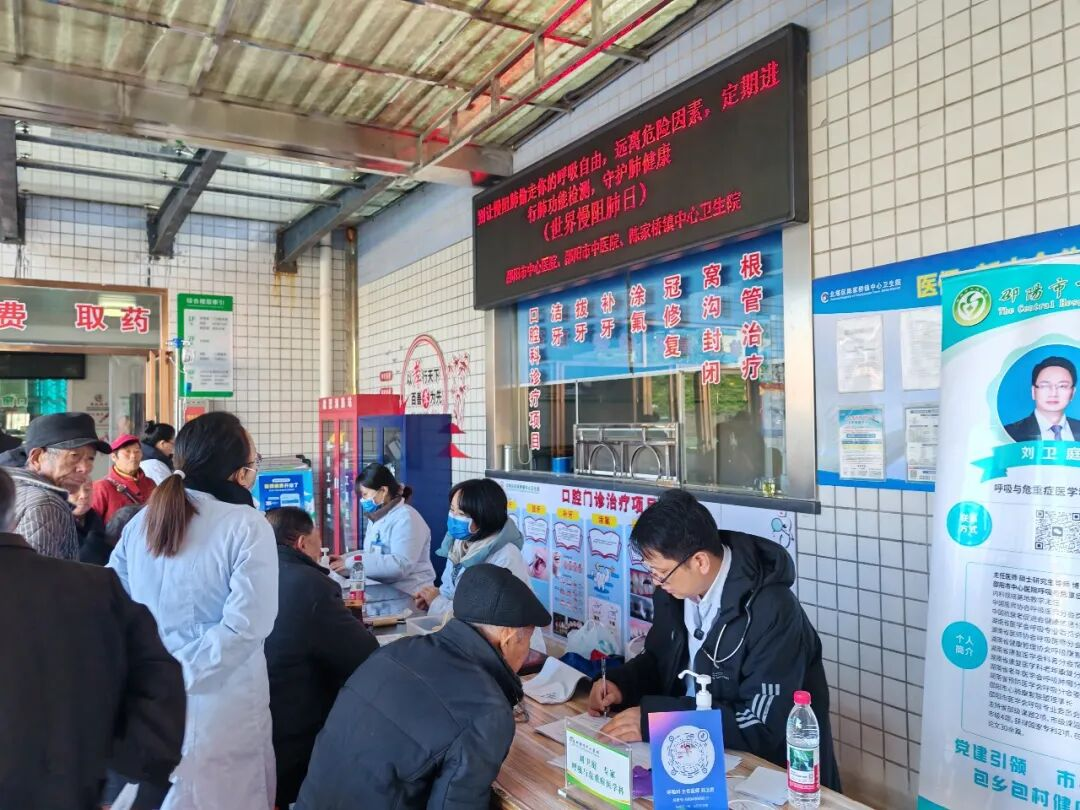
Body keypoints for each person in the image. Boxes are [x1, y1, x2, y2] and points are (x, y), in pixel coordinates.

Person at [587, 489, 840, 791]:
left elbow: (762, 724)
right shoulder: (675, 591)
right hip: (690, 757)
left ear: (700, 562)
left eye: (662, 573)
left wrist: (659, 720)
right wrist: (621, 684)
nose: (656, 582)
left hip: (767, 777)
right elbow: (660, 659)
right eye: (652, 573)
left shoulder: (772, 609)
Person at [109, 412, 279, 810]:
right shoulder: (246, 524)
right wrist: (181, 673)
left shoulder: (144, 520)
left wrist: (154, 673)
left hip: (154, 699)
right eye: (252, 462)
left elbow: (114, 601)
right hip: (222, 701)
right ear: (235, 471)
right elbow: (247, 626)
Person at [0, 466, 186, 810]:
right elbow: (160, 680)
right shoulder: (94, 587)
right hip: (70, 788)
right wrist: (130, 774)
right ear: (13, 515)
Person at [296, 563, 551, 810]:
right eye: (527, 640)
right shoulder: (488, 712)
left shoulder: (396, 651)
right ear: (508, 636)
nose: (527, 651)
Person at [264, 507, 379, 808]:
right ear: (302, 543)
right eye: (318, 541)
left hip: (260, 716)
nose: (321, 550)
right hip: (298, 729)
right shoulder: (311, 585)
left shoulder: (252, 573)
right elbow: (363, 656)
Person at [414, 478, 545, 652]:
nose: (453, 518)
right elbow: (451, 590)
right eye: (452, 510)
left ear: (484, 516)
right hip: (471, 641)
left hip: (510, 650)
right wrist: (433, 598)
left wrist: (437, 603)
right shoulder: (459, 543)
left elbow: (482, 615)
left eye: (461, 514)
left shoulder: (505, 556)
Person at [6, 412, 110, 560]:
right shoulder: (46, 503)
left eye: (90, 458)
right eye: (74, 456)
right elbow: (33, 573)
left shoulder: (12, 489)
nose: (85, 468)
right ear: (37, 457)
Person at [358, 462, 435, 597]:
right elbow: (372, 555)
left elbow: (400, 566)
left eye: (365, 494)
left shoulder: (407, 518)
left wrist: (353, 563)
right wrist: (345, 560)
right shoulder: (377, 516)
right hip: (387, 594)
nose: (363, 500)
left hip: (412, 595)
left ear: (383, 491)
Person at [1004, 355, 1080, 442]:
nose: (1053, 393)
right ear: (1033, 391)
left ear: (1072, 393)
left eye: (1062, 386)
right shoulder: (1009, 433)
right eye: (1045, 386)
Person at [93, 434, 157, 524]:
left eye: (137, 451)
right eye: (127, 452)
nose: (133, 456)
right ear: (114, 457)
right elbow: (92, 525)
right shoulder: (101, 487)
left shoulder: (150, 483)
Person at [71, 479, 109, 565]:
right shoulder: (56, 522)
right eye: (74, 490)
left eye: (87, 489)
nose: (83, 495)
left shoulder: (96, 519)